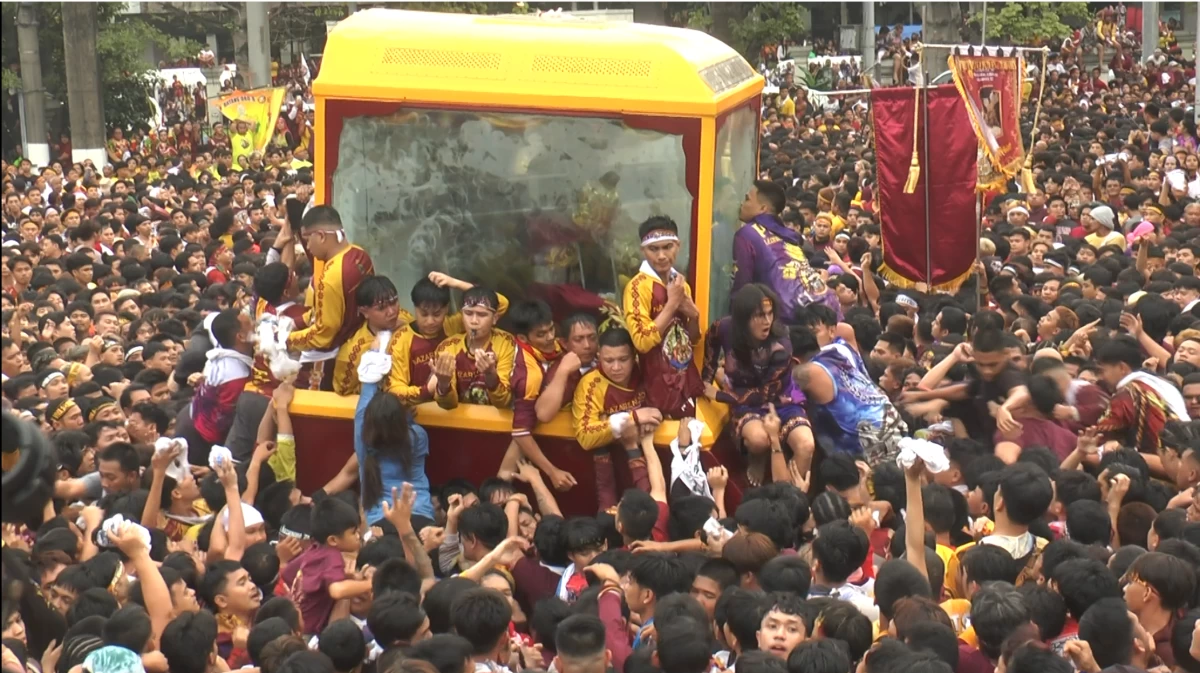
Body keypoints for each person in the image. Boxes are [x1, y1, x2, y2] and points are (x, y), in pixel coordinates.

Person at [286, 206, 374, 391]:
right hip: (362, 338)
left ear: (321, 235)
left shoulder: (332, 276)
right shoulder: (360, 254)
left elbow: (323, 334)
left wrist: (287, 339)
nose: (308, 247)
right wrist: (296, 322)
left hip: (333, 357)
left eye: (308, 239)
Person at [623, 216, 703, 419]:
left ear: (678, 246)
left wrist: (694, 316)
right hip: (654, 386)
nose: (661, 256)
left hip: (684, 382)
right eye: (653, 249)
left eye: (668, 247)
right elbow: (641, 342)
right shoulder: (637, 286)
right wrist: (672, 304)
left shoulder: (681, 284)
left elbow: (692, 339)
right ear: (643, 250)